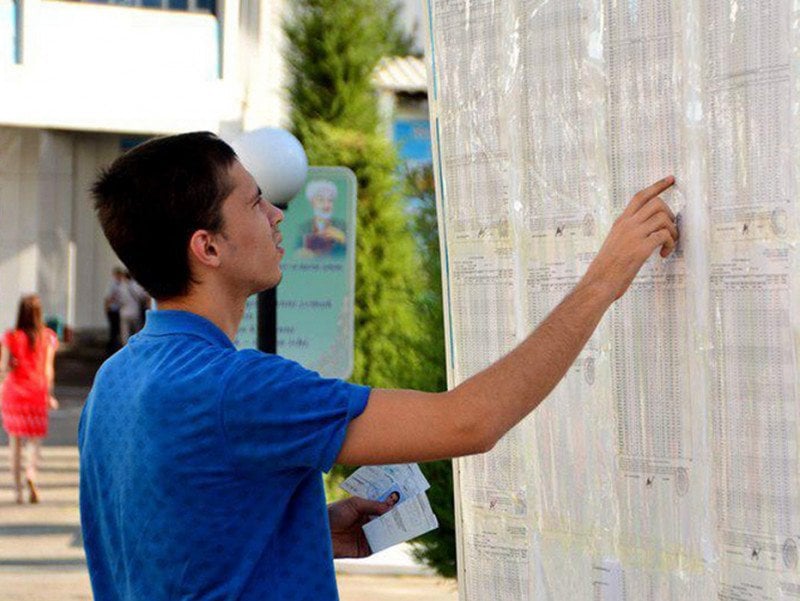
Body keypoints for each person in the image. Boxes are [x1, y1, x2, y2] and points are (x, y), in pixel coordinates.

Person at [79, 132, 678, 600]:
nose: (278, 216)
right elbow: (470, 422)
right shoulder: (241, 390)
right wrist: (605, 277)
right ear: (207, 247)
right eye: (256, 201)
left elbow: (165, 543)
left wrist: (304, 532)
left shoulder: (115, 380)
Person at [1, 294, 59, 504]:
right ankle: (31, 474)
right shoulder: (49, 337)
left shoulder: (11, 336)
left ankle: (17, 491)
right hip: (36, 392)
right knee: (34, 440)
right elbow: (48, 370)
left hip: (14, 393)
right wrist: (49, 395)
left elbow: (4, 367)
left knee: (14, 441)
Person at [103, 267, 125, 354]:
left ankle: (114, 345)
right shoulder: (112, 285)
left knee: (117, 329)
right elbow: (107, 298)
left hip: (118, 309)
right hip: (112, 309)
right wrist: (107, 309)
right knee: (113, 329)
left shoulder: (122, 284)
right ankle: (110, 347)